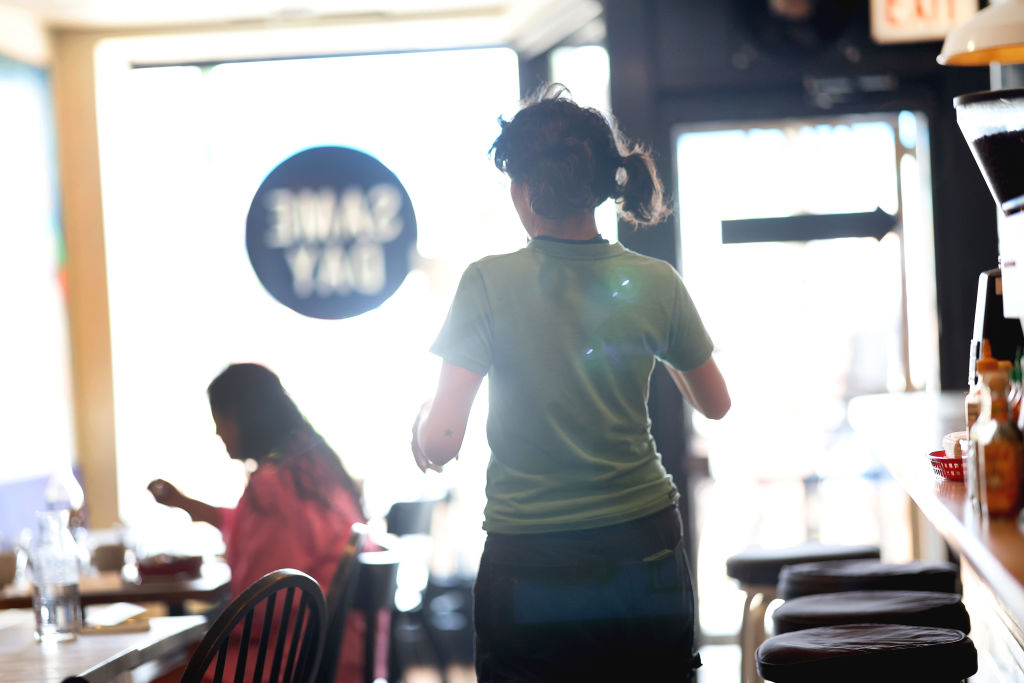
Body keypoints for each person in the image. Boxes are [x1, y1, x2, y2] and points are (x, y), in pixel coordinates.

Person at [411, 85, 731, 682]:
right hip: (644, 544)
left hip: (533, 557)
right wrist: (656, 348)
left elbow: (443, 440)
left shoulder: (486, 282)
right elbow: (715, 402)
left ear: (527, 188)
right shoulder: (655, 282)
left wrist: (422, 425)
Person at [148, 362, 369, 683]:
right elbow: (262, 529)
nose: (217, 431)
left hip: (293, 662)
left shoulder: (273, 487)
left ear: (240, 415)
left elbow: (261, 605)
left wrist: (205, 634)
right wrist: (186, 504)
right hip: (339, 652)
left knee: (163, 675)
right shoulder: (312, 466)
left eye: (219, 418)